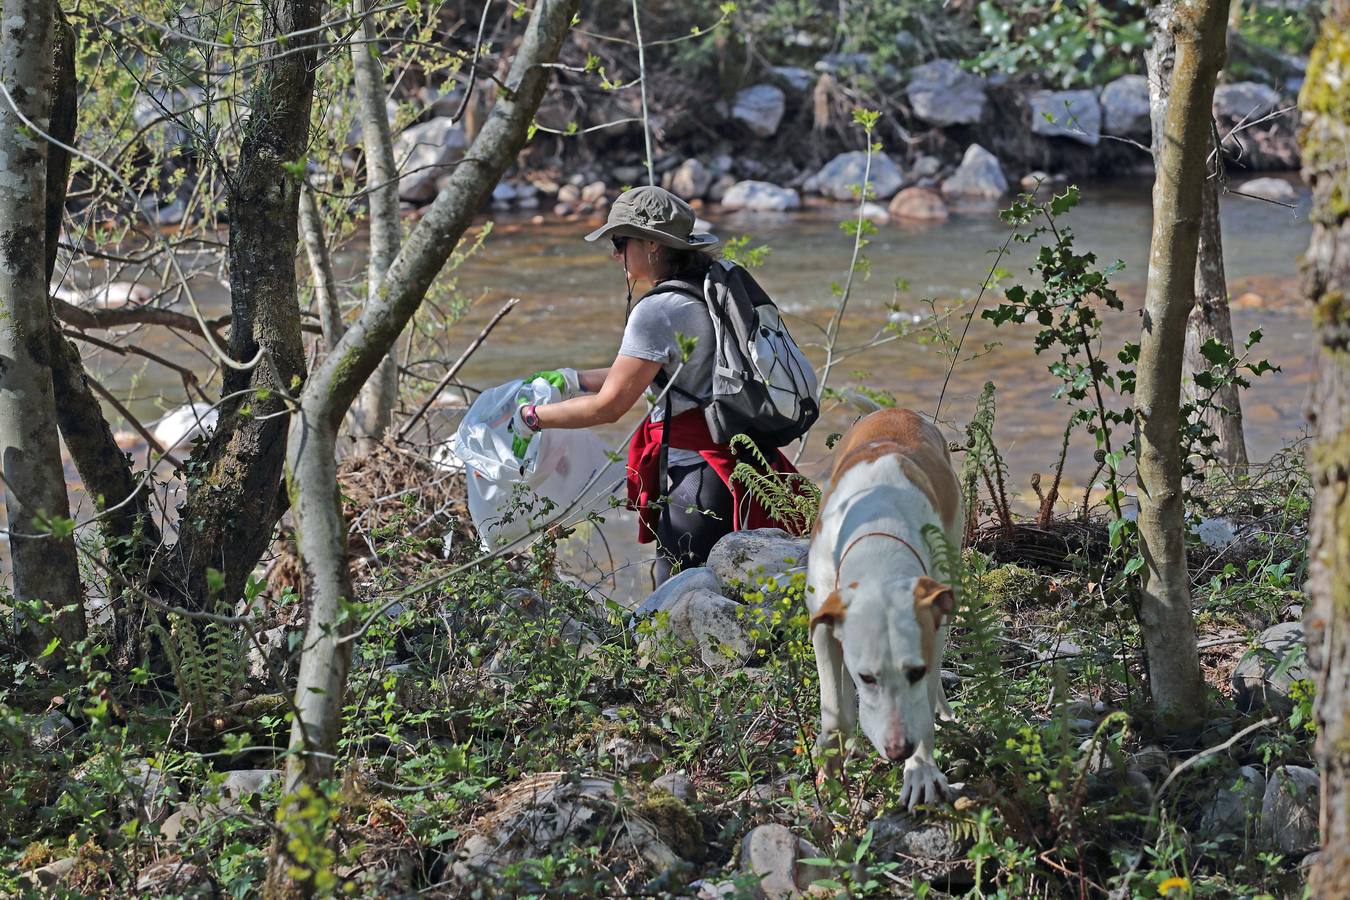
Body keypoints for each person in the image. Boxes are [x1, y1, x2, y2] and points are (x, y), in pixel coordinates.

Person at [512, 185, 802, 583]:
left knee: (669, 610)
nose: (615, 254)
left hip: (697, 480)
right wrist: (572, 379)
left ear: (651, 244)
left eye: (619, 241)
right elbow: (650, 374)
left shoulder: (658, 311)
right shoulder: (706, 288)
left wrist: (532, 417)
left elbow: (611, 406)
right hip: (739, 463)